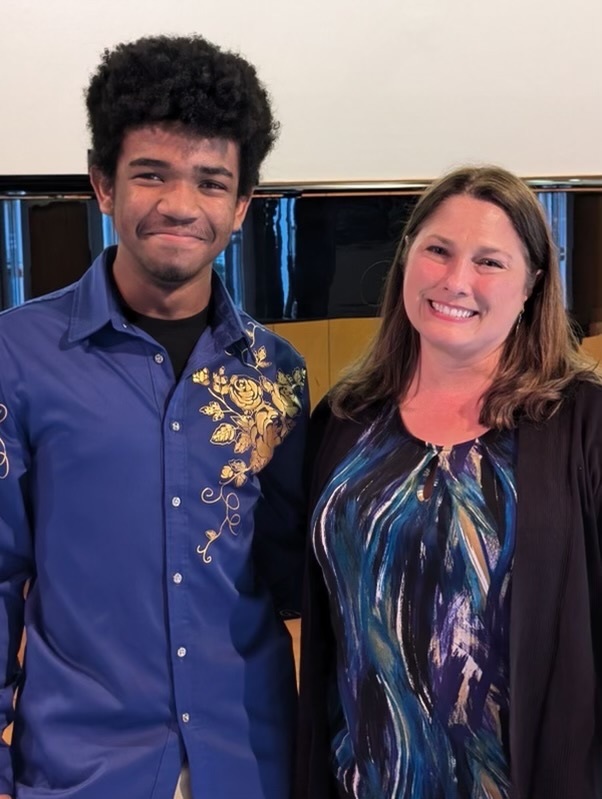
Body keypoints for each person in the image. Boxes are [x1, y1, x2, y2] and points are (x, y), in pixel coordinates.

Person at [0, 34, 309, 799]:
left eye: (210, 182)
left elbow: (298, 583)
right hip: (80, 774)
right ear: (103, 185)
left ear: (240, 207)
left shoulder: (279, 377)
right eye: (151, 174)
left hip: (252, 769)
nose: (180, 205)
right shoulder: (18, 355)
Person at [296, 165, 602, 799]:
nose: (455, 280)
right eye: (437, 249)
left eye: (490, 261)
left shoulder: (584, 422)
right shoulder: (344, 418)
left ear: (532, 284)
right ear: (407, 256)